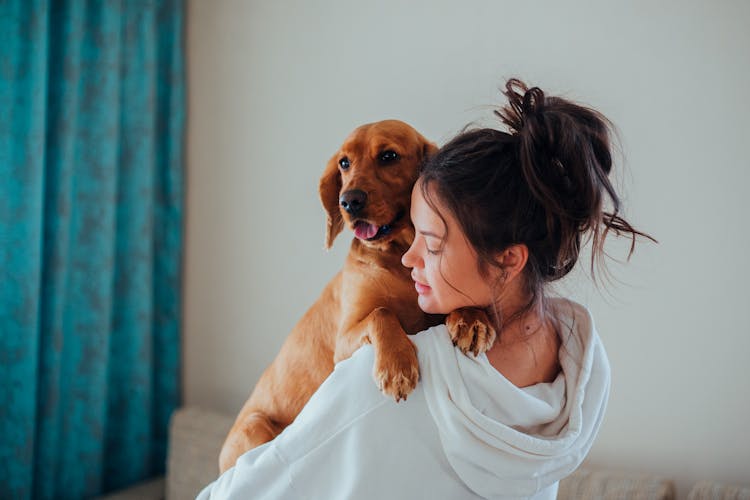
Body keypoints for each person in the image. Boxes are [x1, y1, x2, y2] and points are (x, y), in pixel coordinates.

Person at [197, 79, 652, 500]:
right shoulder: (586, 367)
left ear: (509, 259)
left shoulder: (378, 389)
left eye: (430, 241)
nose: (413, 256)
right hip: (265, 429)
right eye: (346, 167)